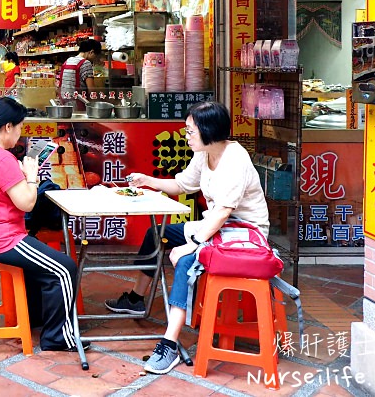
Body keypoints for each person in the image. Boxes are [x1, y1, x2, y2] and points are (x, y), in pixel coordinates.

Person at [103, 101, 269, 374]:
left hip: (243, 234)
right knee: (156, 234)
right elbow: (182, 185)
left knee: (185, 261)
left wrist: (193, 244)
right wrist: (148, 180)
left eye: (190, 131)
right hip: (219, 227)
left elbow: (224, 212)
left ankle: (169, 344)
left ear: (208, 130)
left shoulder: (235, 158)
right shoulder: (205, 154)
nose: (186, 135)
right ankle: (135, 299)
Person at [0, 97, 79, 352]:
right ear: (7, 127)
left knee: (41, 260)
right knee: (65, 268)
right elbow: (27, 203)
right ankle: (58, 338)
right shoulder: (2, 159)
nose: (20, 134)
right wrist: (32, 177)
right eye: (19, 128)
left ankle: (36, 318)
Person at [58, 38, 101, 105]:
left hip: (64, 103)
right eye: (95, 56)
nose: (95, 59)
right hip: (78, 104)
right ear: (91, 52)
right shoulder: (86, 63)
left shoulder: (68, 61)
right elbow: (92, 90)